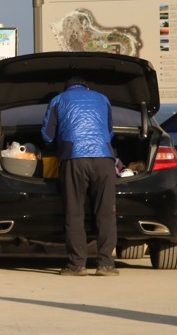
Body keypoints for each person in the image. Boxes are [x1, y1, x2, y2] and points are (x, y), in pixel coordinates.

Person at [42, 76, 119, 277]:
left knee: (74, 211)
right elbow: (110, 131)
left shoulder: (58, 100)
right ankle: (106, 264)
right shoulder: (103, 99)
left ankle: (77, 265)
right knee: (106, 212)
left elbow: (47, 135)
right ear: (87, 87)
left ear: (67, 88)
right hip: (104, 158)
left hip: (74, 158)